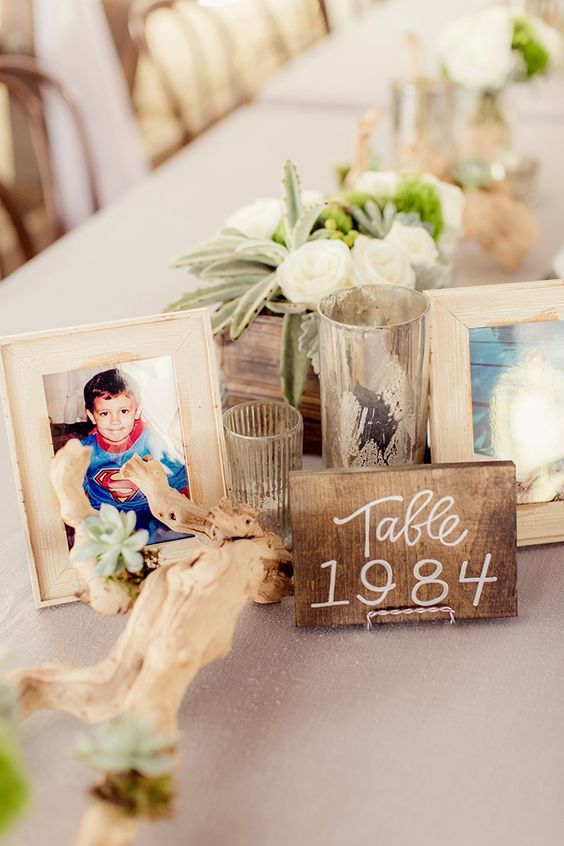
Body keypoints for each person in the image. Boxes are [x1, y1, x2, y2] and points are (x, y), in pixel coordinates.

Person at [81, 368, 190, 543]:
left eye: (123, 411)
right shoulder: (82, 452)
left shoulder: (154, 442)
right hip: (106, 519)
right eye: (104, 413)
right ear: (91, 416)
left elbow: (179, 483)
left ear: (137, 411)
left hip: (150, 514)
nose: (115, 421)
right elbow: (75, 496)